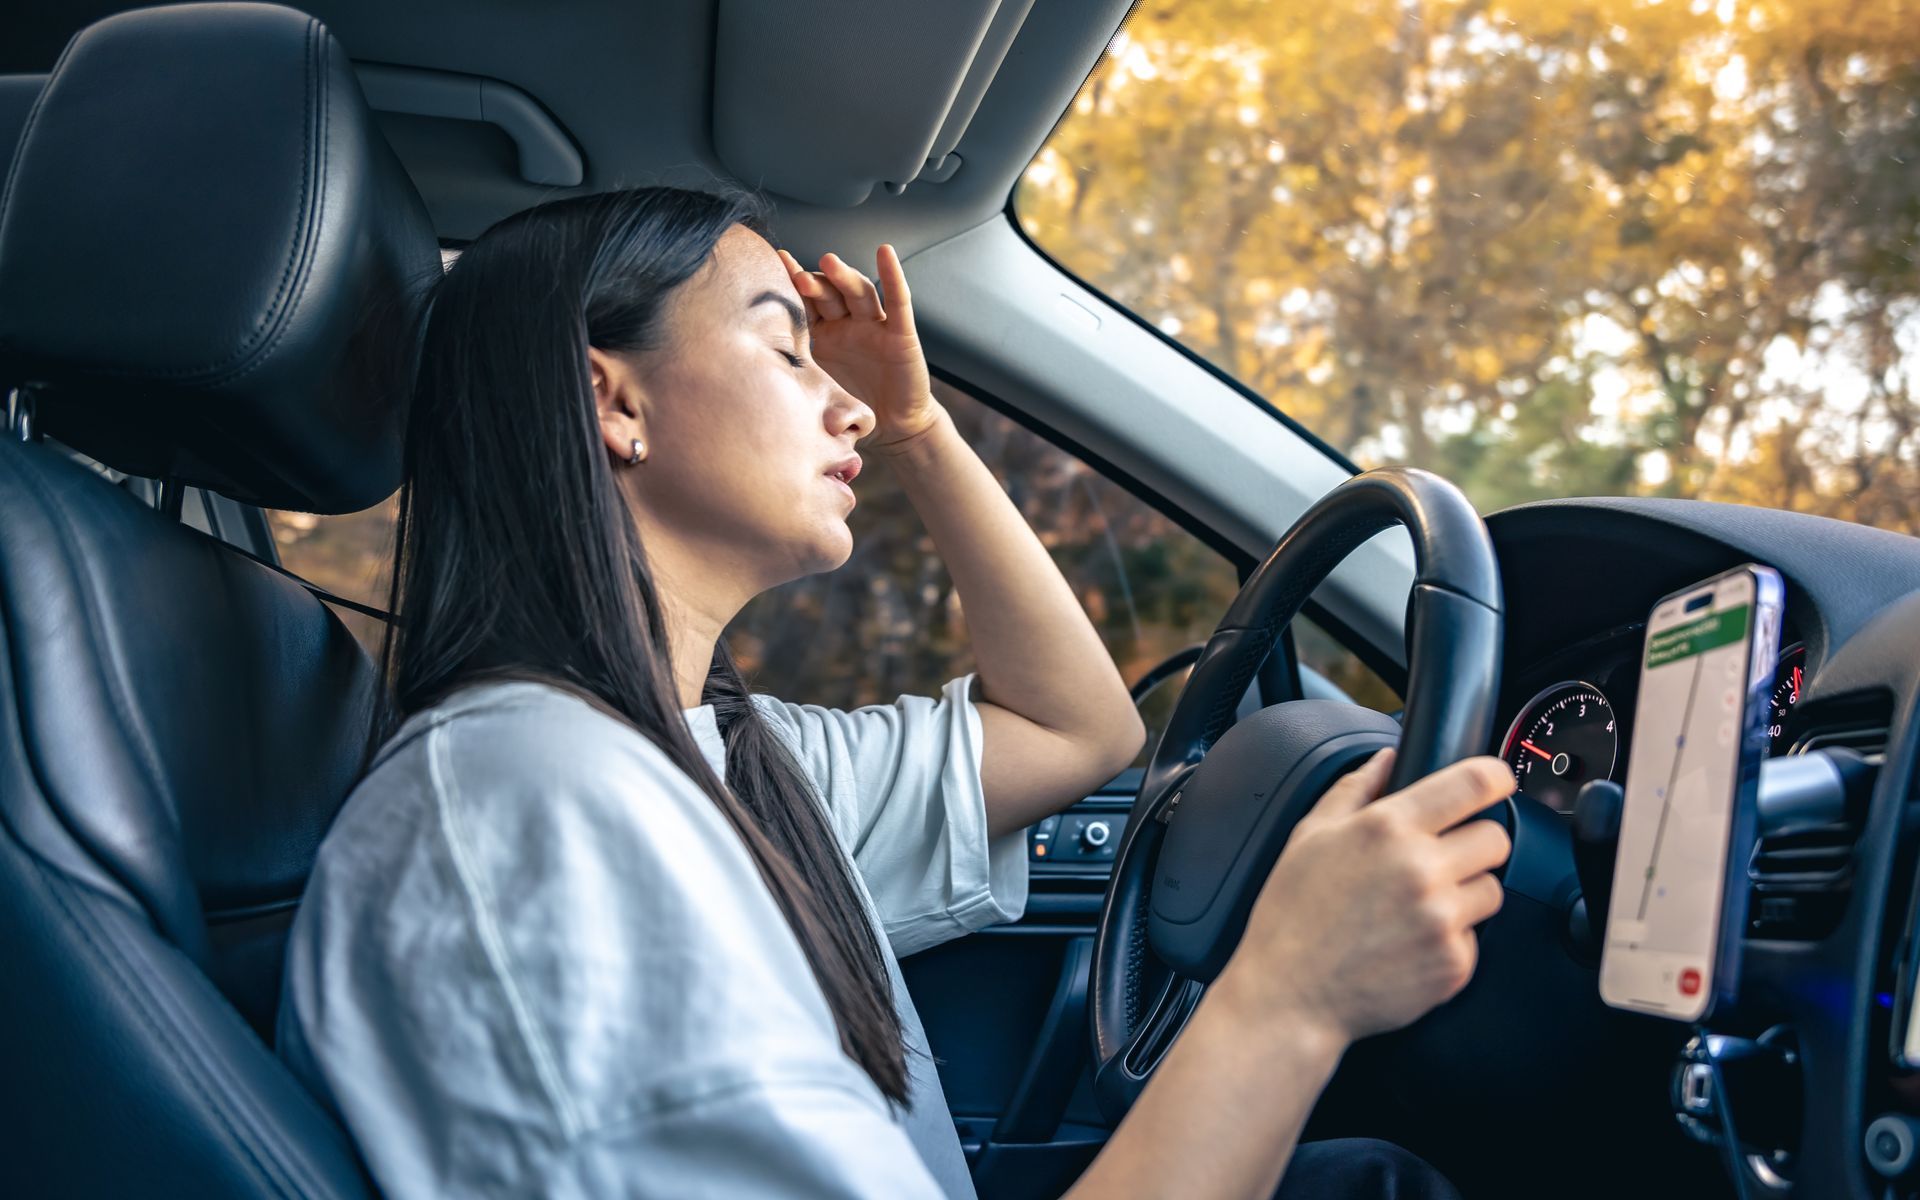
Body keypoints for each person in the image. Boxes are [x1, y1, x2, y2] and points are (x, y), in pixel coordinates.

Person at [277, 185, 1515, 1200]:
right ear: (613, 398)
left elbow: (1076, 729)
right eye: (785, 346)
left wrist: (922, 429)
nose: (850, 405)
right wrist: (1290, 998)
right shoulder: (539, 811)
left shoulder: (722, 759)